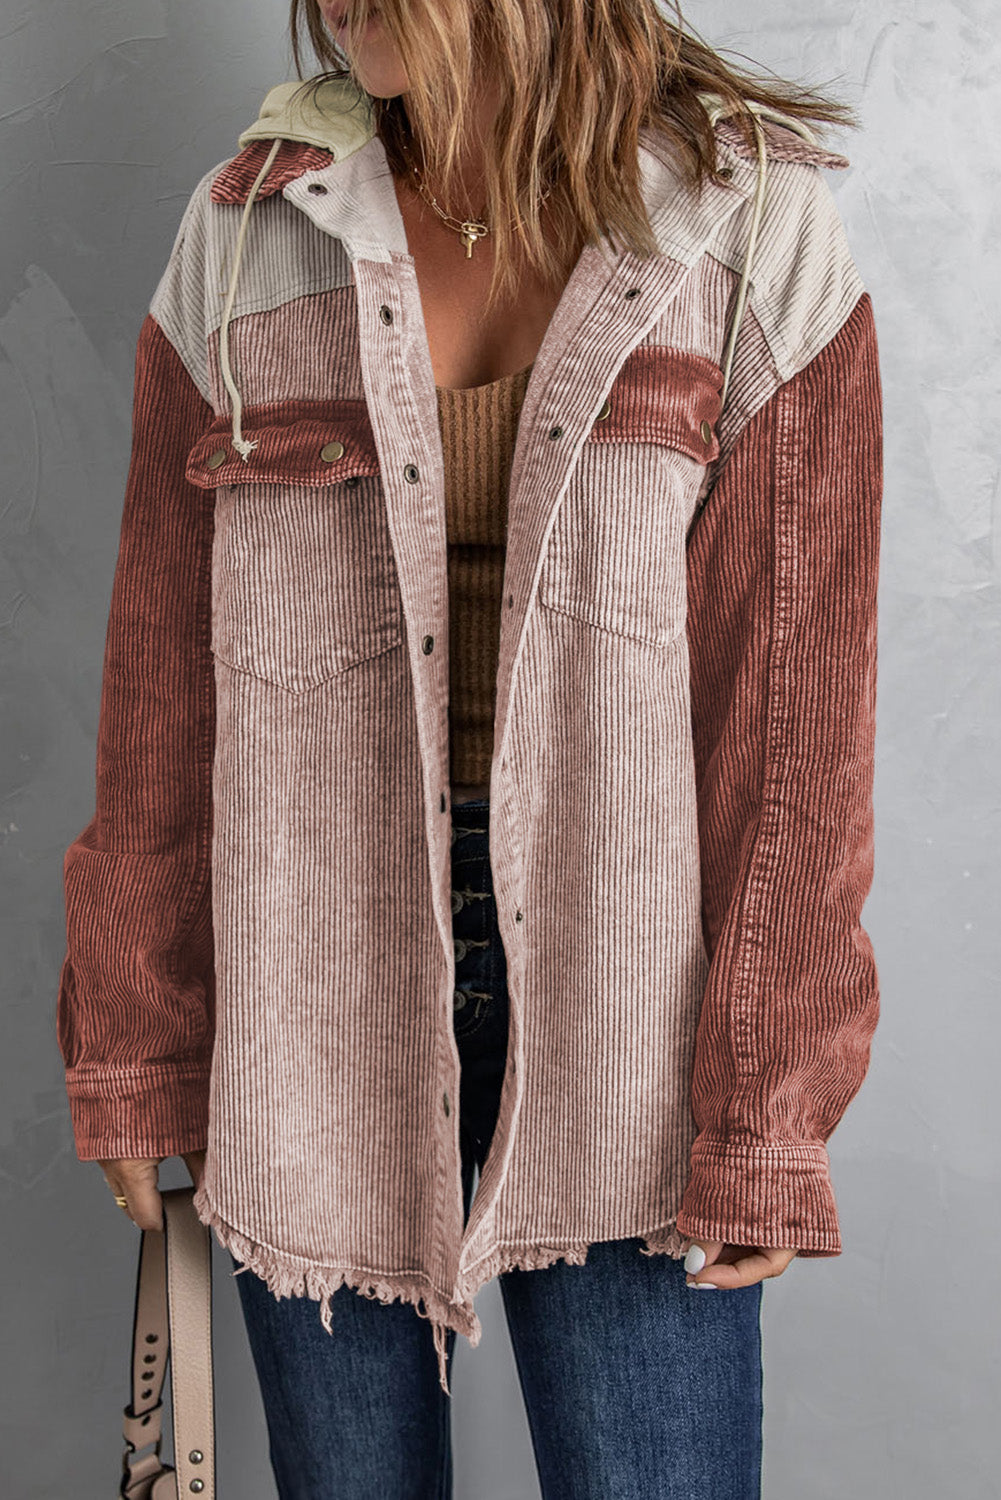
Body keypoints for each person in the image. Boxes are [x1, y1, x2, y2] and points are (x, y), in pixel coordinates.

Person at [56, 0, 883, 1494]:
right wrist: (140, 1034)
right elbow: (162, 691)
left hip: (633, 995)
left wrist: (768, 1102)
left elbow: (794, 728)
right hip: (309, 986)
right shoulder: (249, 235)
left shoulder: (746, 230)